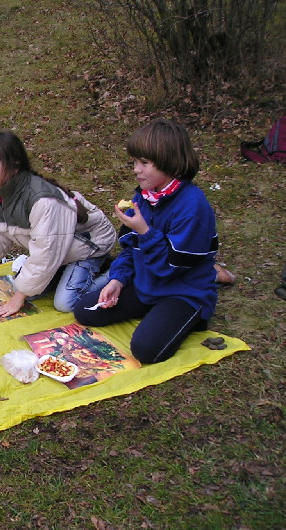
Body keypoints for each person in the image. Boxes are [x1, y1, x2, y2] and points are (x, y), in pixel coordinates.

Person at [73, 119, 219, 363]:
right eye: (134, 162)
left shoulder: (192, 206)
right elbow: (129, 248)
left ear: (169, 161)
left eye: (144, 163)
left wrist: (145, 231)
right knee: (85, 310)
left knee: (146, 350)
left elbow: (169, 267)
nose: (136, 170)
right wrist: (118, 280)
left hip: (183, 291)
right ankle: (154, 311)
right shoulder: (144, 197)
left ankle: (189, 317)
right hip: (147, 284)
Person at [0, 131, 116, 315]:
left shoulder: (43, 201)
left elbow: (46, 253)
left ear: (15, 165)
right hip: (61, 250)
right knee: (25, 289)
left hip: (90, 245)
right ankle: (67, 273)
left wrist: (18, 298)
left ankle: (117, 273)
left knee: (65, 302)